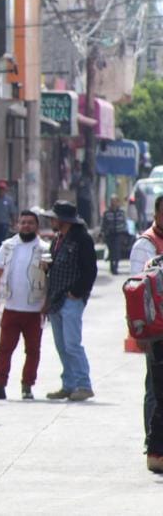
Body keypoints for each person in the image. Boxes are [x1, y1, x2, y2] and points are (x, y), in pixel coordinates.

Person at [0, 210, 49, 400]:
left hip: (34, 310)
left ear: (36, 226)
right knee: (4, 350)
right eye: (23, 222)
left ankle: (27, 386)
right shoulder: (8, 246)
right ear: (17, 225)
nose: (26, 226)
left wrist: (47, 304)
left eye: (30, 223)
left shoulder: (44, 249)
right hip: (11, 308)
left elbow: (49, 279)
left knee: (33, 351)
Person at [40, 200, 97, 402]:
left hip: (71, 298)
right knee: (61, 345)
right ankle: (69, 384)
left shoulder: (82, 239)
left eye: (54, 218)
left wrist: (78, 292)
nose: (52, 221)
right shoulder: (57, 239)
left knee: (72, 344)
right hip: (55, 298)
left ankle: (84, 384)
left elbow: (90, 270)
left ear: (63, 220)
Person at [127, 195, 163, 472]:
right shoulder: (146, 246)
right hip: (156, 330)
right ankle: (154, 445)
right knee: (156, 390)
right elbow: (136, 290)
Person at [101, 195, 128, 276]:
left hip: (119, 234)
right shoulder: (107, 212)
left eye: (115, 201)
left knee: (117, 250)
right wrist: (102, 233)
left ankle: (115, 267)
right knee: (111, 250)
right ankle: (111, 266)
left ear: (118, 202)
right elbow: (103, 224)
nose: (113, 203)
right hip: (109, 235)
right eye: (112, 201)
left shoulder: (121, 212)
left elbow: (124, 223)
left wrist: (125, 233)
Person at [0, 180, 17, 252]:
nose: (1, 191)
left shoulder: (8, 200)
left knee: (2, 242)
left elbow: (12, 212)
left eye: (2, 189)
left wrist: (14, 223)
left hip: (4, 224)